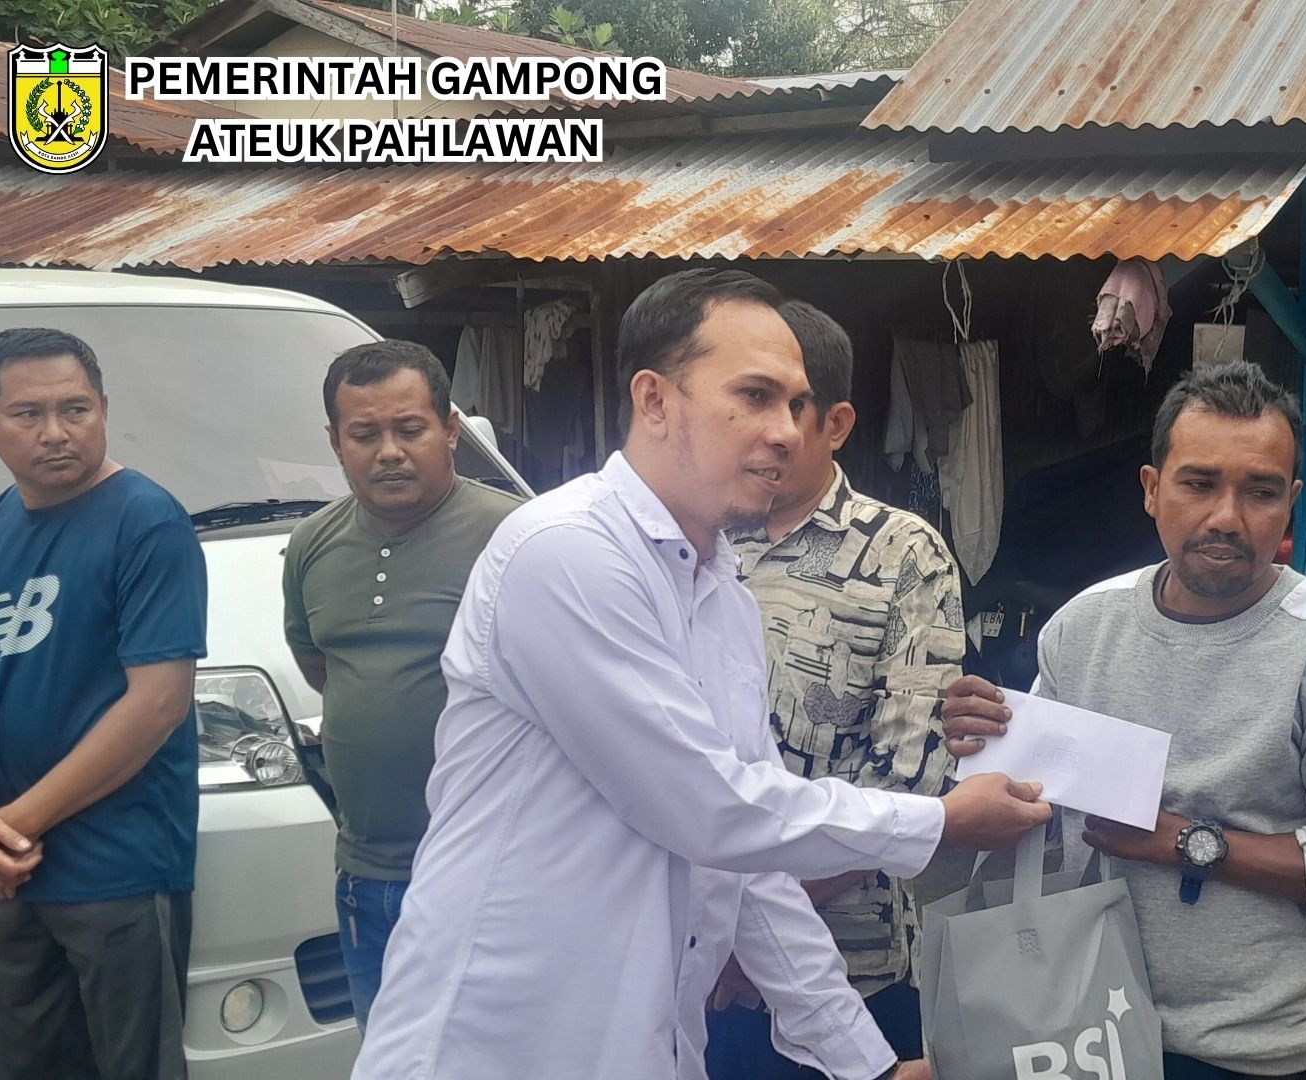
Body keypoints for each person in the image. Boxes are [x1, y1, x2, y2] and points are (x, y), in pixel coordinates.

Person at [352, 268, 1051, 1080]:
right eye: (753, 396)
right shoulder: (567, 552)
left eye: (796, 404)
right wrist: (939, 821)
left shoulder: (720, 596)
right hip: (499, 1043)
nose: (784, 431)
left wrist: (867, 1065)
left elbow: (747, 869)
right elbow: (711, 809)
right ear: (654, 400)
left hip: (647, 1045)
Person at [943, 360, 1306, 1080]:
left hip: (1255, 1048)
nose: (1227, 517)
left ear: (1291, 502)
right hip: (1081, 1029)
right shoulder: (1083, 628)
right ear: (1151, 489)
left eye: (1260, 491)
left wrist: (1183, 842)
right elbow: (1040, 809)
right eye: (1199, 483)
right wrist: (983, 747)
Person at [708, 301, 964, 1077]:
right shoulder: (699, 541)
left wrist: (754, 943)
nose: (760, 432)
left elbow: (908, 780)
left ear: (838, 423)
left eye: (784, 406)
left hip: (850, 966)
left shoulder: (903, 554)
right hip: (693, 973)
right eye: (742, 403)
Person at [0, 328, 207, 1080]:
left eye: (75, 409)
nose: (56, 432)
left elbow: (157, 705)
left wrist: (9, 828)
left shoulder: (146, 521)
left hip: (115, 867)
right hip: (6, 873)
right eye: (28, 414)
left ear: (104, 409)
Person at [282, 339, 523, 1028]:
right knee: (389, 1058)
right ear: (335, 442)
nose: (389, 451)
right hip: (365, 878)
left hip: (491, 877)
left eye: (410, 428)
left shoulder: (517, 537)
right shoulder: (312, 545)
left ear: (450, 429)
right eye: (364, 434)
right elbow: (323, 670)